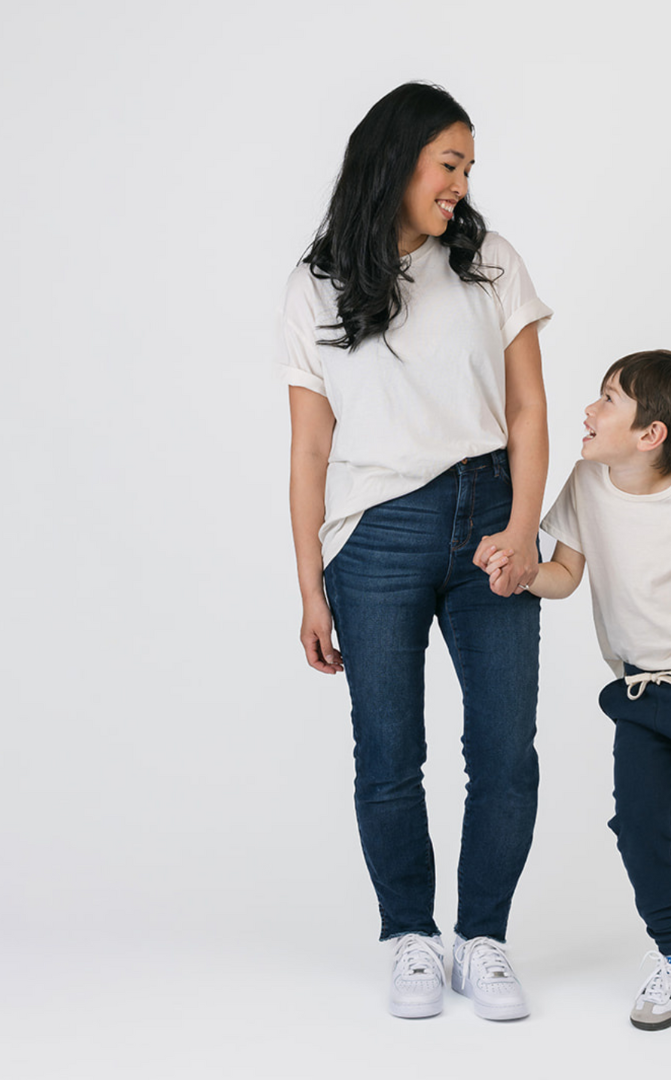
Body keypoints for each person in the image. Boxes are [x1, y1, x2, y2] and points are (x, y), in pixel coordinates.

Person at [280, 82, 551, 1021]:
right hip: (374, 537)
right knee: (389, 754)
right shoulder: (315, 283)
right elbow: (309, 449)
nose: (462, 184)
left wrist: (521, 530)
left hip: (490, 514)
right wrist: (311, 588)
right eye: (450, 163)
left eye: (468, 167)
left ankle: (483, 938)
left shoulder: (491, 264)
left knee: (506, 749)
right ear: (395, 161)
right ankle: (410, 938)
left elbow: (526, 411)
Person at [487, 350, 671, 1031]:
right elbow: (565, 573)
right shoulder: (587, 482)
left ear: (651, 434)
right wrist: (523, 575)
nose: (589, 409)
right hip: (639, 696)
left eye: (608, 398)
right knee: (641, 827)